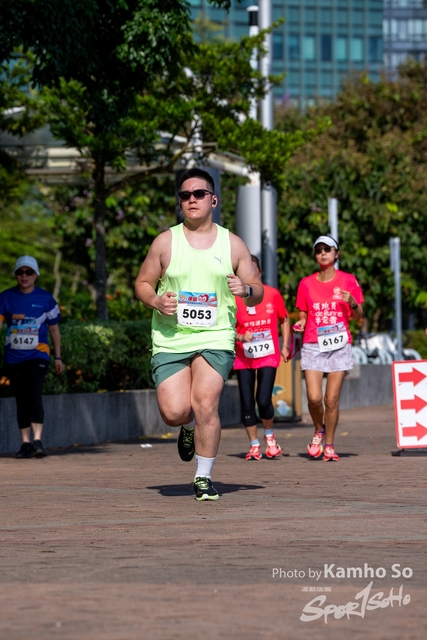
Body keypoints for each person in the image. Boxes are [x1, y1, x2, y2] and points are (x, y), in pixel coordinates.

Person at [135, 168, 263, 501]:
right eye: (185, 195)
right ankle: (187, 427)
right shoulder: (166, 242)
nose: (191, 200)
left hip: (215, 335)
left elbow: (258, 290)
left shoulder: (232, 244)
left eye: (199, 194)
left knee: (206, 403)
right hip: (172, 337)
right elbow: (143, 282)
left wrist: (246, 288)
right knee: (174, 412)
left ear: (213, 200)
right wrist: (155, 300)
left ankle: (203, 477)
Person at [293, 236, 364, 461]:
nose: (323, 253)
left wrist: (352, 302)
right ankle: (319, 430)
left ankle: (330, 445)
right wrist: (301, 322)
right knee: (314, 398)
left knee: (331, 399)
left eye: (327, 249)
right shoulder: (306, 283)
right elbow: (303, 312)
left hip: (339, 344)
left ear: (336, 253)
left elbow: (359, 316)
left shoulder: (348, 280)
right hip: (313, 344)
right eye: (318, 250)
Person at [0, 256, 64, 458]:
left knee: (34, 394)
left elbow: (54, 329)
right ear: (16, 275)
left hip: (38, 355)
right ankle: (25, 443)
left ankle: (37, 440)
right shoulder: (5, 297)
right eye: (20, 272)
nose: (24, 276)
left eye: (29, 272)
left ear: (36, 274)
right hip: (14, 358)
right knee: (21, 398)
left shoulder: (45, 298)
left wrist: (58, 357)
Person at [234, 255, 290, 460]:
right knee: (247, 402)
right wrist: (241, 337)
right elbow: (225, 327)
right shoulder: (233, 299)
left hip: (268, 355)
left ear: (259, 272)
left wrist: (285, 346)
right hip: (243, 356)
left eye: (253, 269)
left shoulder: (272, 294)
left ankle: (269, 434)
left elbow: (284, 319)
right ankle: (254, 445)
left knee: (263, 399)